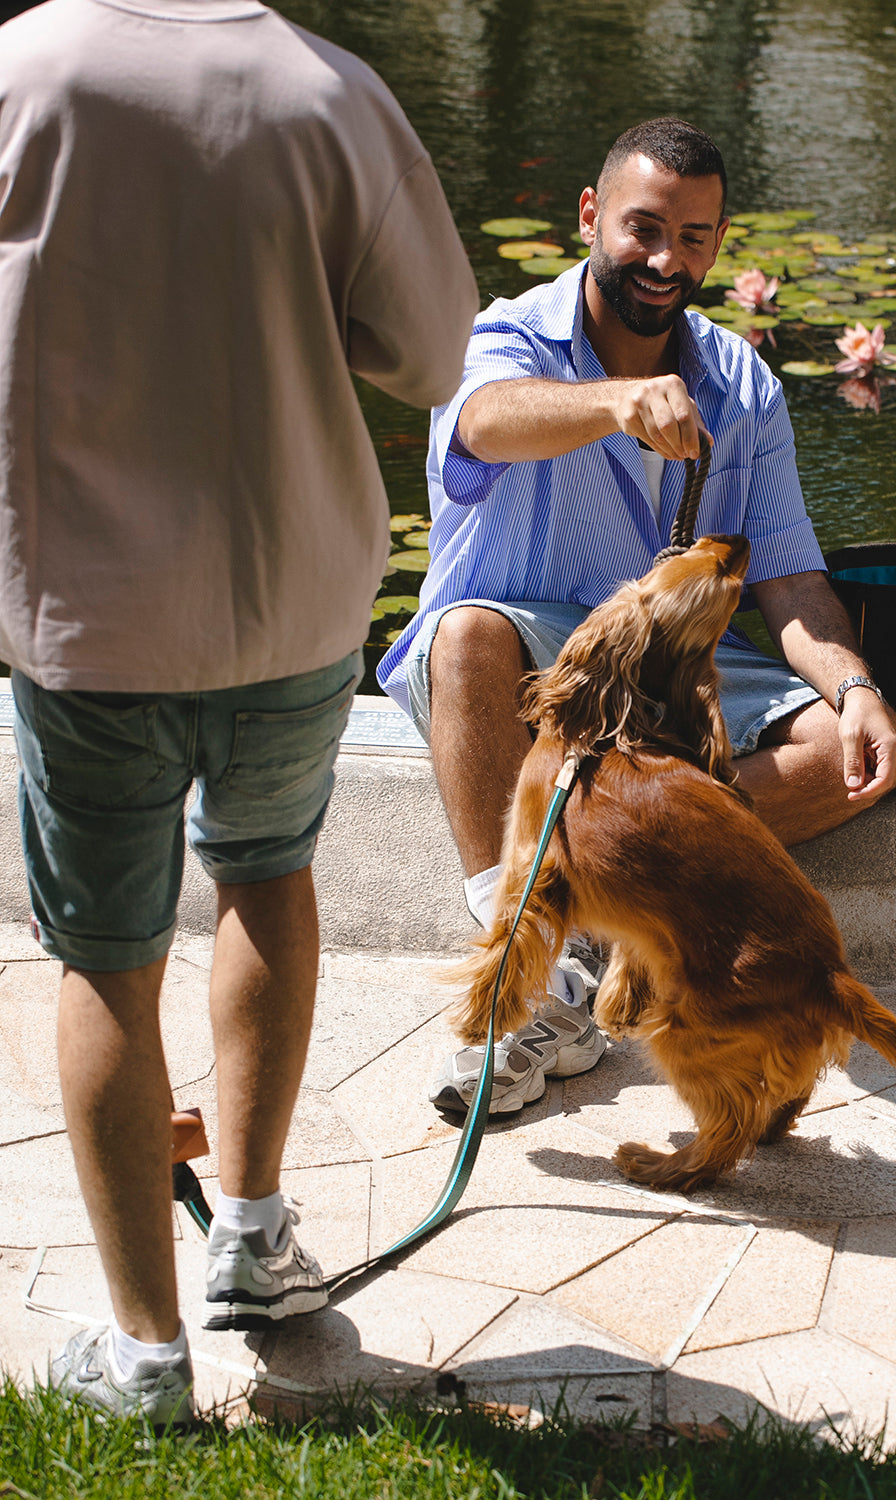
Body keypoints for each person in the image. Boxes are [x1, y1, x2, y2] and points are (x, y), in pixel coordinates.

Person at [0, 0, 477, 1426]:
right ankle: (256, 1246)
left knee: (104, 959)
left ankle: (146, 1355)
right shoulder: (329, 94)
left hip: (84, 610)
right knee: (269, 879)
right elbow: (438, 354)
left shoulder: (23, 68)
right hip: (289, 597)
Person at [378, 118, 896, 1117]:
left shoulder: (744, 382)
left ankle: (597, 922)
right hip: (532, 660)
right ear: (590, 215)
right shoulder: (508, 335)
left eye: (697, 237)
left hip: (663, 679)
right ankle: (530, 988)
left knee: (853, 743)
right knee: (465, 635)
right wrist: (617, 404)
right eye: (645, 228)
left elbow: (789, 581)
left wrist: (860, 688)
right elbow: (483, 421)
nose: (670, 259)